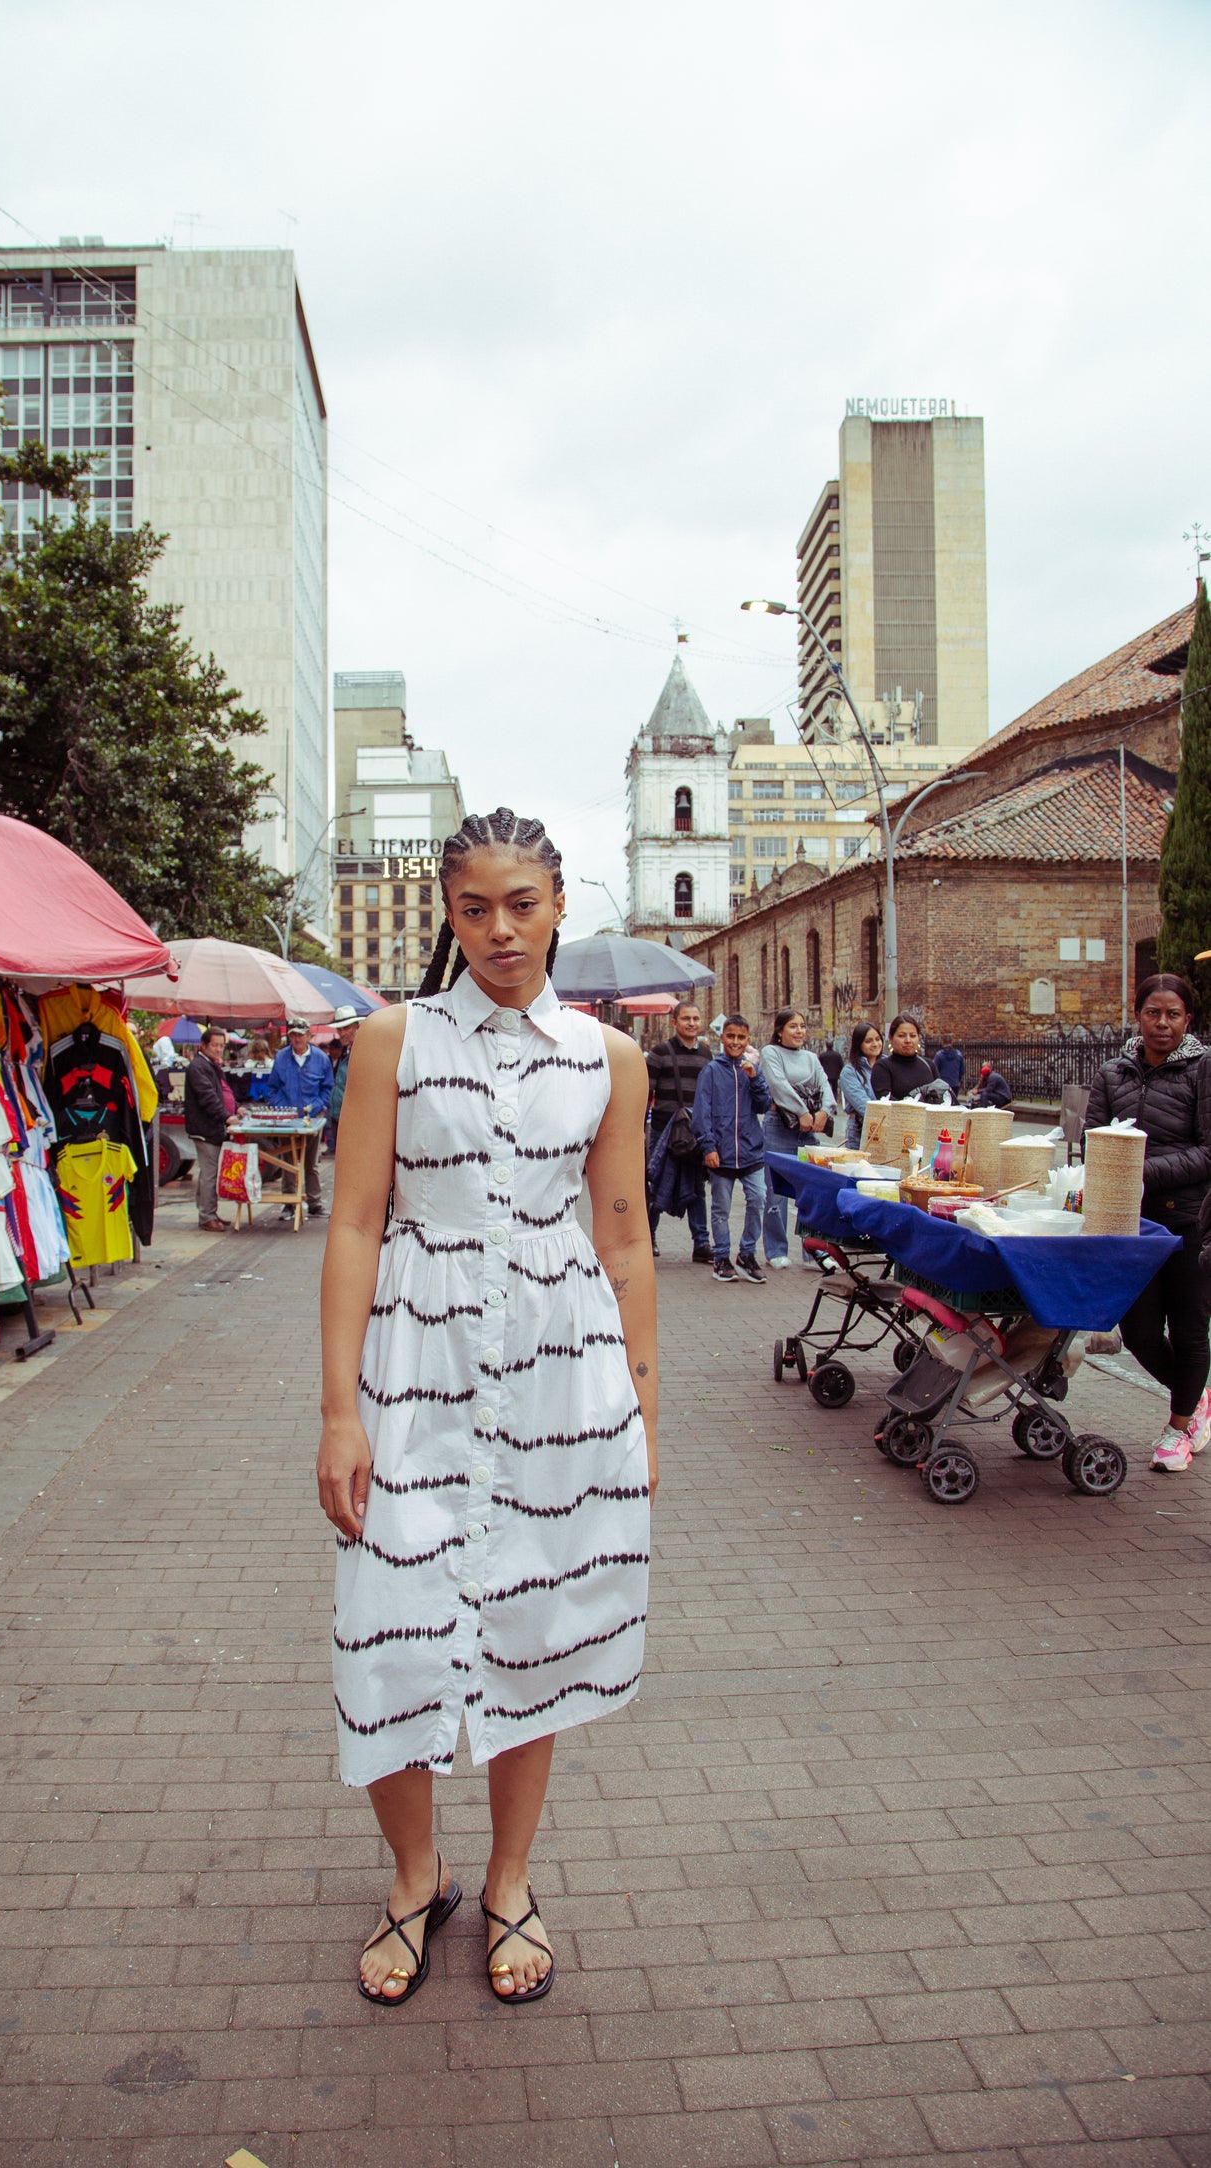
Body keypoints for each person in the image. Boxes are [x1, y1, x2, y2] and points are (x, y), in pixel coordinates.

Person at [316, 805, 656, 2007]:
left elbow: (622, 1239)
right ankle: (417, 1875)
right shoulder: (389, 1041)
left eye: (521, 903)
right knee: (385, 1621)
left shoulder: (608, 1057)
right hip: (417, 1364)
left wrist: (642, 1417)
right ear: (448, 916)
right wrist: (338, 1412)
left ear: (561, 903)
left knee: (533, 1624)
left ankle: (509, 1878)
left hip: (564, 1373)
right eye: (474, 908)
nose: (499, 929)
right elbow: (354, 1221)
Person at [1087, 973, 1211, 1472]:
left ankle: (1178, 1430)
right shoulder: (1113, 1071)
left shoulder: (1203, 1070)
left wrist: (1140, 1172)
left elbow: (1208, 1151)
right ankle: (1197, 1396)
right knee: (1137, 1330)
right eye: (1152, 1013)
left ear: (1188, 1019)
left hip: (1186, 1222)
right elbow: (1092, 1140)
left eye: (1173, 1015)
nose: (1162, 1024)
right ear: (1137, 1015)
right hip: (1129, 1223)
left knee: (1188, 1328)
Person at [692, 1013, 771, 1282]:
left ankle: (747, 1253)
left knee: (758, 1199)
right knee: (721, 1208)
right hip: (721, 1153)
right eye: (731, 1036)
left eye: (741, 1037)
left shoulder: (752, 1070)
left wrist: (755, 1078)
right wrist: (708, 1147)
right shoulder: (712, 1071)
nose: (736, 1042)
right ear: (722, 1037)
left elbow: (764, 1106)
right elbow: (701, 1113)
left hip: (751, 1151)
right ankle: (722, 1257)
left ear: (748, 1040)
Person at [757, 1007, 835, 1268]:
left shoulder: (812, 1057)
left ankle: (813, 1250)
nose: (799, 1030)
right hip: (780, 1126)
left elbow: (824, 1084)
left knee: (811, 1190)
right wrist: (801, 1111)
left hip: (809, 1129)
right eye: (792, 1026)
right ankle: (776, 1249)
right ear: (779, 1031)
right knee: (775, 1192)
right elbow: (778, 1085)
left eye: (802, 1026)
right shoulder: (771, 1053)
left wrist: (824, 1110)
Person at [645, 999, 713, 1262]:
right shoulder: (659, 1054)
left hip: (695, 1131)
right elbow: (645, 1094)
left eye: (696, 1019)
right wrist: (641, 1129)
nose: (692, 1024)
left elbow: (710, 1095)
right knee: (657, 1184)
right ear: (674, 1022)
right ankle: (648, 1238)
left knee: (697, 1186)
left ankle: (701, 1243)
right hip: (664, 1130)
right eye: (686, 1019)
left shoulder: (706, 1055)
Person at [264, 1015, 333, 1218]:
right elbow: (273, 1088)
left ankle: (314, 1202)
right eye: (293, 1035)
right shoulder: (281, 1057)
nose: (297, 1039)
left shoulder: (321, 1058)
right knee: (289, 1161)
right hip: (288, 1120)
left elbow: (327, 1087)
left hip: (311, 1118)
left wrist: (319, 1106)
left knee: (311, 1163)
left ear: (308, 1035)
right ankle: (289, 1203)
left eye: (300, 1035)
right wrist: (283, 1109)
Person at [182, 1024, 235, 1231]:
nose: (219, 1049)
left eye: (222, 1045)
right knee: (209, 1174)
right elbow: (208, 1097)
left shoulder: (211, 1065)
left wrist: (234, 1109)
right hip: (205, 1129)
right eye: (215, 1045)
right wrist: (225, 1117)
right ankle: (207, 1216)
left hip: (213, 1129)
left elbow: (222, 1093)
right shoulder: (198, 1067)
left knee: (208, 1173)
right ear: (203, 1045)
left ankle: (208, 1211)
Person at [870, 1015, 940, 1101]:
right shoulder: (882, 1067)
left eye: (913, 1036)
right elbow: (886, 1101)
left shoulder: (929, 1065)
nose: (908, 1040)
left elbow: (940, 1097)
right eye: (901, 1036)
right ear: (891, 1038)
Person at [840, 1023, 883, 1151]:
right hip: (860, 1129)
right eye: (868, 1041)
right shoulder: (849, 1072)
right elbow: (863, 1105)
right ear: (859, 1044)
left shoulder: (888, 1065)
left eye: (877, 1039)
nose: (875, 1044)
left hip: (886, 1129)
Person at [325, 1005, 360, 1154]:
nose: (342, 1033)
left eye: (346, 1028)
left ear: (356, 1027)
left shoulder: (362, 1050)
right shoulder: (346, 1051)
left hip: (353, 1120)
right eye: (340, 1029)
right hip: (339, 1116)